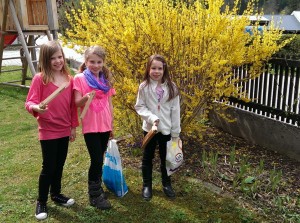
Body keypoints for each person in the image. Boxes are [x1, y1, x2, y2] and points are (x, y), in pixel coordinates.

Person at [25, 40, 79, 220]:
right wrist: (36, 108)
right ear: (45, 60)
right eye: (53, 58)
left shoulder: (69, 80)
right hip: (48, 129)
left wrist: (73, 127)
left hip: (64, 129)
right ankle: (41, 201)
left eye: (60, 57)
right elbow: (29, 102)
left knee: (60, 164)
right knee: (48, 166)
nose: (57, 61)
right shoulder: (40, 79)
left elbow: (72, 106)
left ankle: (56, 194)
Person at [73, 46, 115, 210]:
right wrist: (86, 98)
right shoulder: (79, 79)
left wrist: (111, 123)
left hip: (104, 124)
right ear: (86, 61)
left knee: (101, 157)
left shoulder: (105, 79)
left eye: (99, 62)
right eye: (92, 62)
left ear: (103, 62)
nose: (95, 65)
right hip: (91, 125)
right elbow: (76, 103)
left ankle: (98, 187)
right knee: (96, 159)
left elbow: (109, 102)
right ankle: (94, 195)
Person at [135, 54, 181, 201]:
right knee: (147, 157)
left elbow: (175, 111)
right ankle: (147, 185)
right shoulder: (144, 87)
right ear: (148, 68)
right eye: (153, 68)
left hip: (166, 130)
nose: (156, 71)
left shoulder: (172, 88)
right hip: (150, 129)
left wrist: (175, 133)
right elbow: (140, 106)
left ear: (164, 69)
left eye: (159, 68)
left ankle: (166, 184)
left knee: (165, 158)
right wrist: (152, 118)